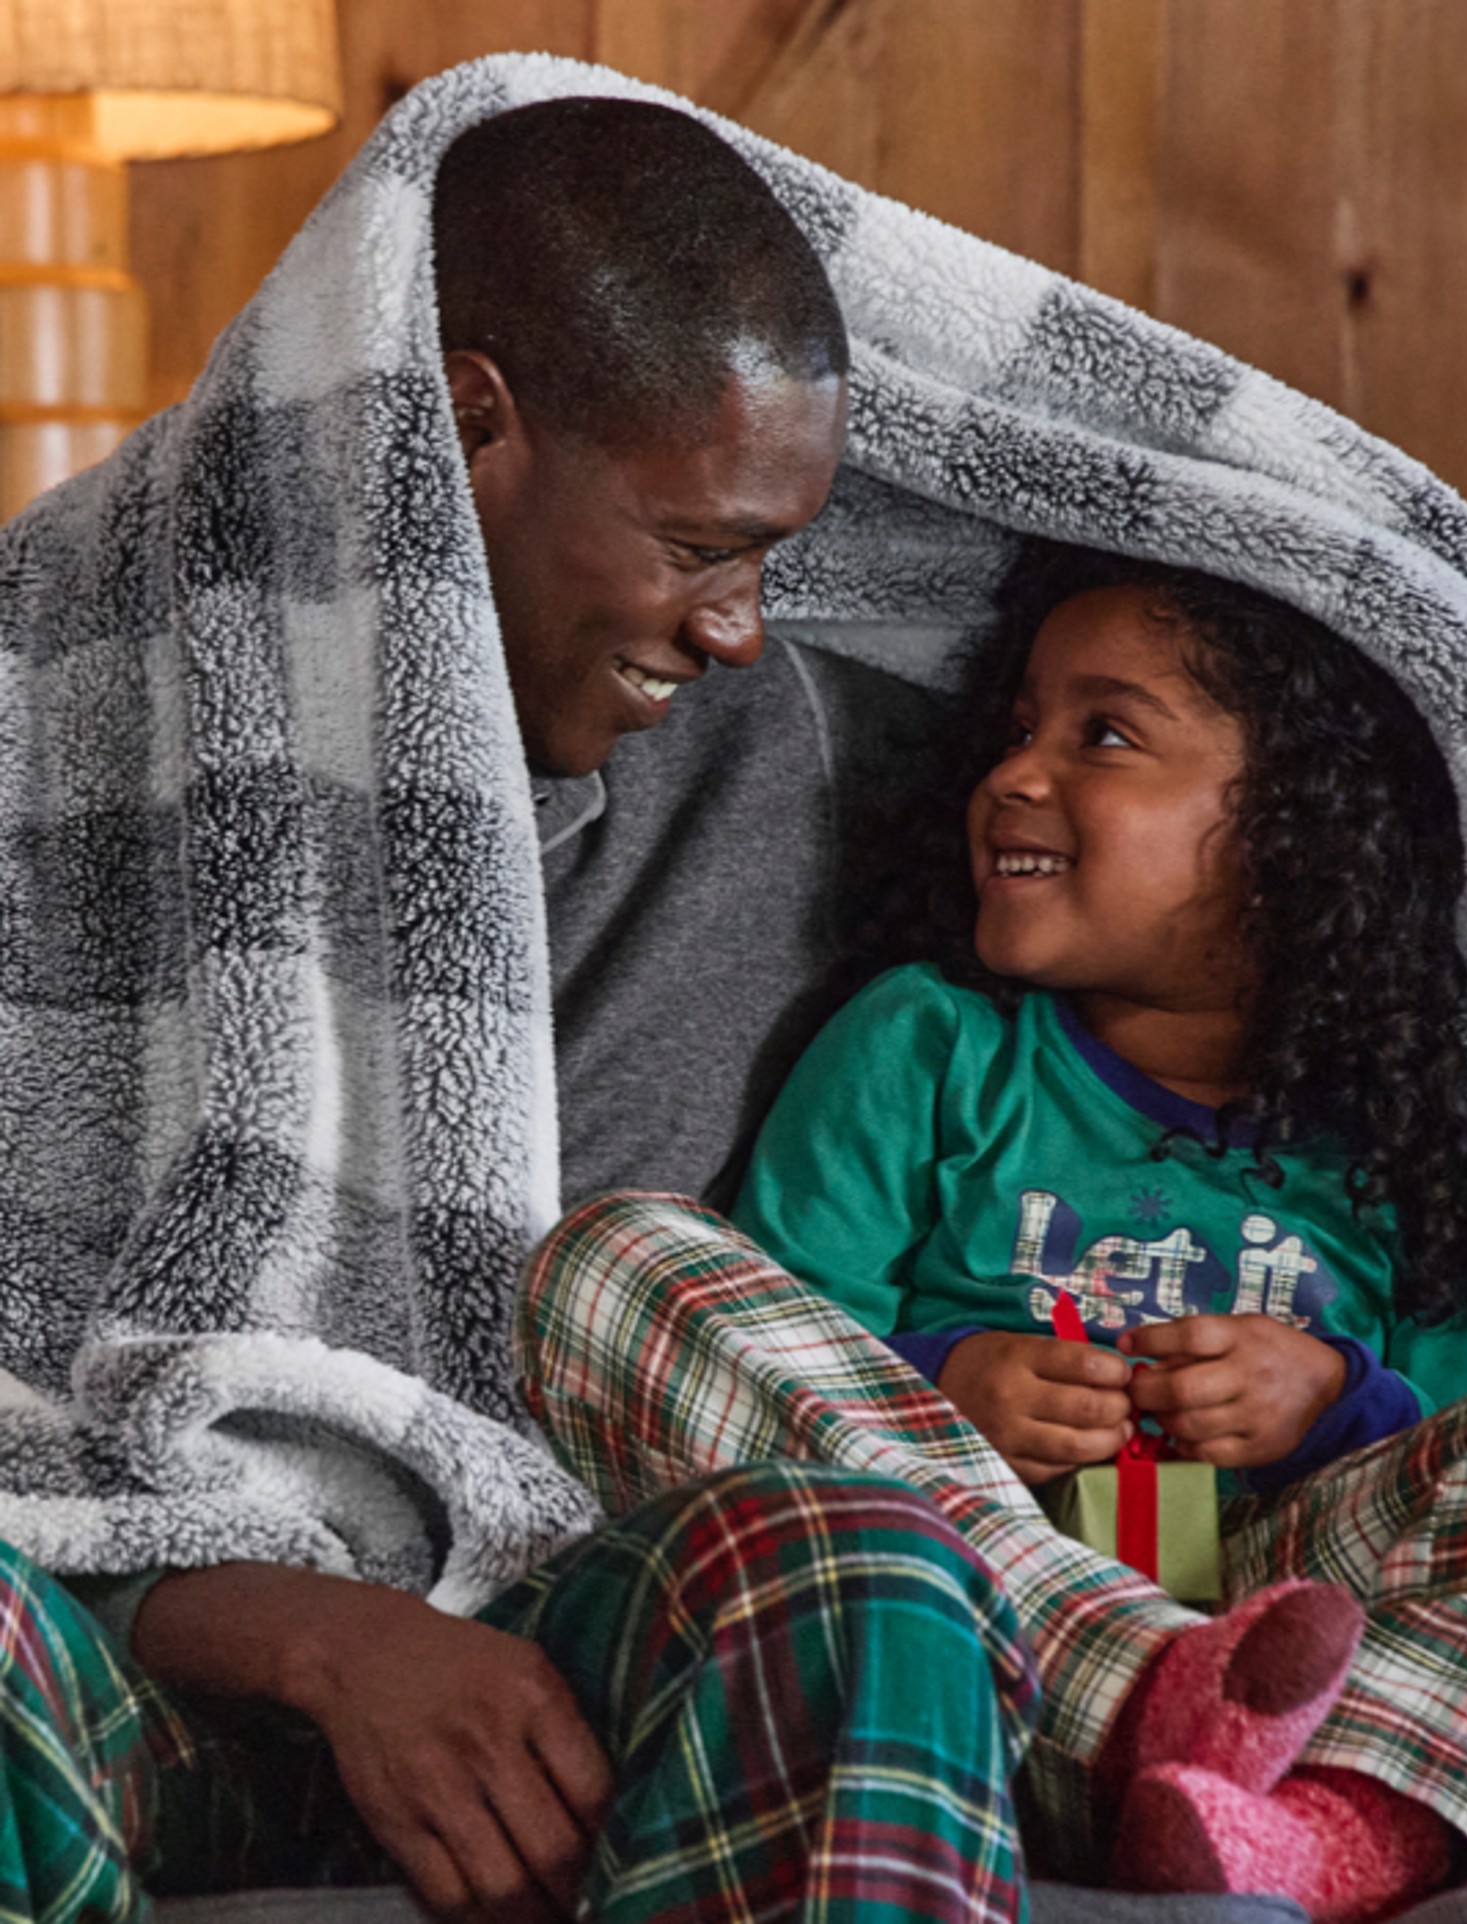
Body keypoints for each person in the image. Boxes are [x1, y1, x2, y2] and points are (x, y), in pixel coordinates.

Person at [0, 91, 1044, 1924]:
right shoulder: (54, 715)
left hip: (570, 1611)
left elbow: (1258, 712)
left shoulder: (788, 746)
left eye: (770, 559)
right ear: (467, 422)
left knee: (866, 1571)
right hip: (121, 1639)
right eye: (698, 544)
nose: (737, 627)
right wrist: (321, 1641)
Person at [519, 545, 1467, 1918]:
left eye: (1105, 734)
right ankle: (1139, 1700)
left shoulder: (1418, 1140)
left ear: (1303, 825)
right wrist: (946, 1379)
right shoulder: (928, 1042)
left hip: (1300, 1632)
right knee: (616, 1263)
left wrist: (1341, 1406)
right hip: (967, 1626)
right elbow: (787, 1330)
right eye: (1018, 729)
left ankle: (1341, 1829)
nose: (1015, 774)